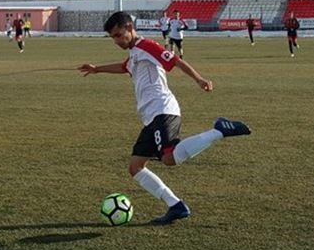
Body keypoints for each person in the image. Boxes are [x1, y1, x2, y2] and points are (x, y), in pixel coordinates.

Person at [78, 11, 251, 225]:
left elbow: (176, 61)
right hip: (151, 118)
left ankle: (219, 130)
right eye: (113, 37)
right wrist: (97, 69)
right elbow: (124, 67)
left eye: (119, 34)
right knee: (136, 166)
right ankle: (175, 206)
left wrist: (199, 79)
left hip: (163, 110)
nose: (116, 40)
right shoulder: (134, 53)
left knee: (169, 158)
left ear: (130, 28)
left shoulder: (147, 46)